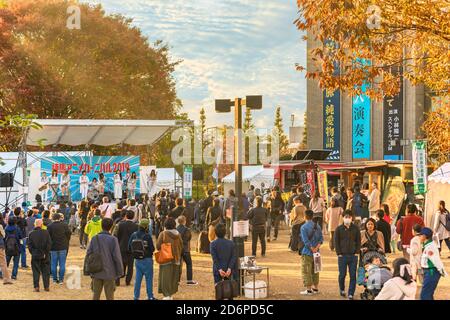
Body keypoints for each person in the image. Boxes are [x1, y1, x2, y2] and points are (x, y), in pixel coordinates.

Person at [87, 218, 123, 300]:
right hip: (110, 272)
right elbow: (117, 257)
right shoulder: (113, 239)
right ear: (111, 227)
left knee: (95, 296)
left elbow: (88, 254)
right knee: (110, 296)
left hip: (96, 271)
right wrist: (120, 271)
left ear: (101, 225)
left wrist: (89, 270)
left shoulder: (94, 238)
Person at [334, 210, 361, 300]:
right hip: (342, 256)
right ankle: (342, 289)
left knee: (353, 275)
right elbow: (336, 242)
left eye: (349, 217)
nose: (347, 218)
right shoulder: (338, 229)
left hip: (353, 256)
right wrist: (339, 253)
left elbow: (358, 241)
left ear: (352, 218)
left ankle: (351, 294)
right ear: (343, 217)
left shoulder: (356, 228)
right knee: (342, 275)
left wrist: (357, 252)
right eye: (346, 217)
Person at [128, 218, 156, 300]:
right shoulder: (147, 236)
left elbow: (129, 247)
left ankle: (136, 296)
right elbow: (152, 249)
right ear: (146, 227)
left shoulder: (134, 235)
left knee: (138, 279)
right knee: (149, 279)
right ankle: (150, 296)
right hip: (147, 259)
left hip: (137, 260)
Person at [156, 218, 183, 300]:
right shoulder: (178, 234)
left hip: (166, 258)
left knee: (165, 278)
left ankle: (166, 295)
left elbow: (158, 246)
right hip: (176, 258)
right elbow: (181, 246)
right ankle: (170, 294)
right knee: (173, 277)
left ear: (165, 225)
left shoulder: (163, 234)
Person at [418, 227, 447, 300]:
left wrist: (442, 271)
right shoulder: (427, 245)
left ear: (424, 236)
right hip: (429, 271)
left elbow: (436, 260)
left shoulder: (430, 247)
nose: (419, 237)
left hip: (431, 271)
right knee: (428, 294)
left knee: (425, 295)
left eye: (420, 235)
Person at [300, 209, 323, 295]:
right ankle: (316, 288)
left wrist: (312, 248)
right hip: (317, 252)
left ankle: (309, 290)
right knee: (316, 270)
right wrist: (316, 248)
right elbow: (321, 239)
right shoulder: (318, 226)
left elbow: (306, 241)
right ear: (312, 216)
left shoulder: (303, 227)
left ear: (305, 216)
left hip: (307, 252)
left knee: (306, 270)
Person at [114, 210, 138, 286]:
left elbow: (116, 236)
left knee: (120, 264)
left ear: (125, 216)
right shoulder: (136, 226)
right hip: (131, 248)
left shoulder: (120, 224)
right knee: (130, 266)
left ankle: (117, 281)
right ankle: (128, 281)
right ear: (133, 216)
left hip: (121, 246)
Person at [27, 219, 52, 292]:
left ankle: (36, 287)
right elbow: (49, 244)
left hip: (35, 254)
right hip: (44, 255)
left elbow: (29, 246)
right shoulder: (46, 232)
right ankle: (46, 286)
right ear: (41, 225)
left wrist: (33, 252)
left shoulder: (31, 233)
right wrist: (46, 252)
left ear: (35, 224)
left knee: (36, 271)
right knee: (46, 271)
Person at [47, 213, 71, 284]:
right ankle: (61, 279)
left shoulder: (50, 226)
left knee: (53, 264)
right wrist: (66, 241)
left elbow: (48, 237)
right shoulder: (64, 225)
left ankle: (54, 279)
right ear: (59, 218)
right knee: (62, 264)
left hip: (53, 247)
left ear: (53, 218)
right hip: (63, 246)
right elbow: (68, 234)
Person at [177, 215, 198, 285]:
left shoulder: (176, 229)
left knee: (178, 265)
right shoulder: (187, 230)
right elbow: (189, 238)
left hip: (178, 249)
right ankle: (189, 280)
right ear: (184, 221)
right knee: (189, 264)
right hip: (185, 249)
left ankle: (177, 280)